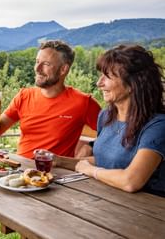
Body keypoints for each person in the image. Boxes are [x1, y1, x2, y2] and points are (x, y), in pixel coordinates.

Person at [56, 44, 165, 197]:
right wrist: (57, 161)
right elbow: (105, 161)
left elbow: (131, 181)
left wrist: (90, 171)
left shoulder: (158, 126)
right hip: (106, 199)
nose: (99, 83)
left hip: (149, 212)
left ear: (133, 84)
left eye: (107, 76)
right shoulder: (106, 116)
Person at [0, 40, 101, 158]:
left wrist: (91, 147)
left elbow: (115, 133)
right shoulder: (24, 96)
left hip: (55, 175)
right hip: (20, 170)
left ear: (63, 69)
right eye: (37, 62)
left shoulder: (83, 102)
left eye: (46, 64)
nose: (37, 68)